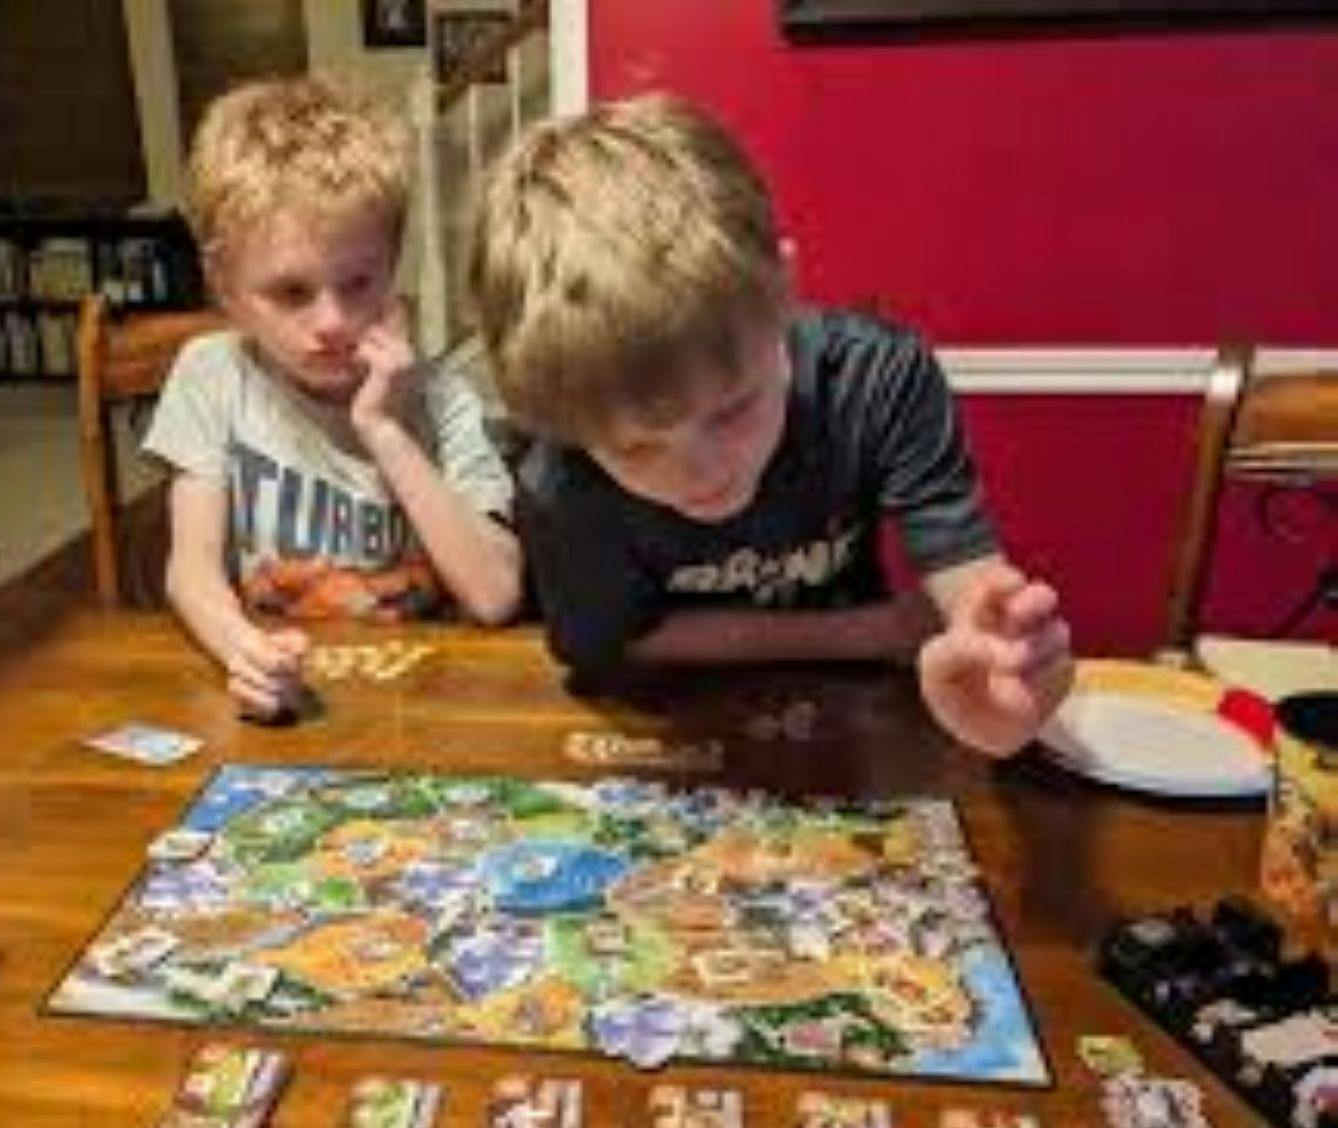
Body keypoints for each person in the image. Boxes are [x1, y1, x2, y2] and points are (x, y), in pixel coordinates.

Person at [468, 93, 1071, 757]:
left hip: (850, 725)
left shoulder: (877, 377)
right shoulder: (557, 473)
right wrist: (868, 632)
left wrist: (1004, 660)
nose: (702, 475)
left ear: (784, 289)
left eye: (734, 408)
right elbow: (612, 642)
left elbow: (972, 592)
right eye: (635, 448)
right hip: (656, 722)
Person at [144, 75, 521, 719]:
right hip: (286, 697)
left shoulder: (444, 397)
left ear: (392, 264)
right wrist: (242, 649)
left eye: (359, 283)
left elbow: (494, 595)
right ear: (225, 286)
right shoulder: (211, 374)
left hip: (429, 707)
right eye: (292, 293)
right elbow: (191, 570)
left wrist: (385, 431)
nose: (332, 322)